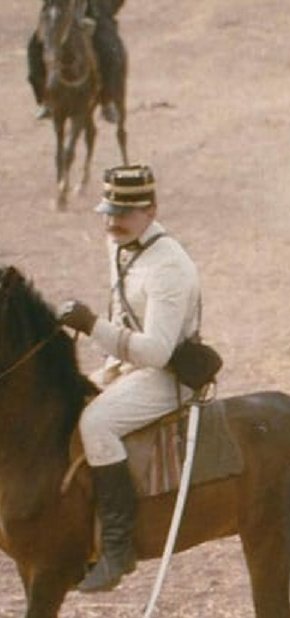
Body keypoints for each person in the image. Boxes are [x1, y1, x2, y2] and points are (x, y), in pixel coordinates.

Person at [57, 163, 202, 593]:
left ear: (152, 209)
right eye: (108, 211)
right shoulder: (121, 244)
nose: (113, 221)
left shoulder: (167, 266)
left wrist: (92, 326)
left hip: (168, 374)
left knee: (96, 423)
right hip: (127, 366)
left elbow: (157, 351)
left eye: (126, 212)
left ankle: (118, 548)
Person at [28, 0, 127, 124]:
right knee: (34, 48)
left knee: (107, 48)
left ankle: (106, 99)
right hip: (57, 10)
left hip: (90, 11)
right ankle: (44, 98)